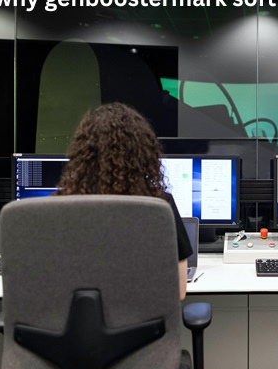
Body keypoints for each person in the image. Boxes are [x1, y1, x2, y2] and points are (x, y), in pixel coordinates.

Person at [55, 102, 192, 300]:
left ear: (82, 153)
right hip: (143, 319)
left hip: (76, 319)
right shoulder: (159, 207)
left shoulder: (58, 209)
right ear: (143, 154)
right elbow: (178, 291)